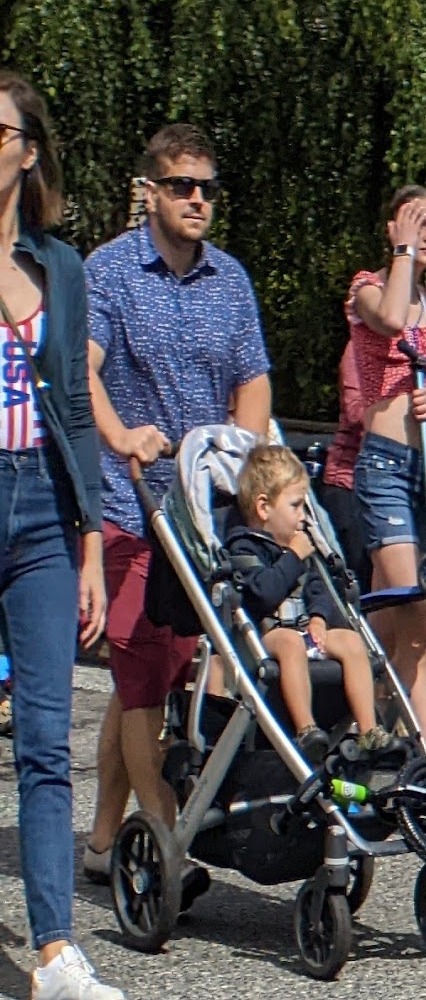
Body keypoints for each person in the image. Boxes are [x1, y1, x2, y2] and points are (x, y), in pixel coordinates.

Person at [83, 121, 270, 867]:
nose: (197, 200)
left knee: (156, 675)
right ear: (151, 191)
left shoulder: (230, 280)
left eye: (207, 189)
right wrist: (120, 436)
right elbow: (80, 370)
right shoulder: (112, 271)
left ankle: (104, 838)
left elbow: (250, 379)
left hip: (199, 516)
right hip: (128, 504)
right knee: (142, 677)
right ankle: (166, 841)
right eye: (182, 186)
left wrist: (246, 461)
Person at [0, 72, 128, 1000]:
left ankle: (53, 953)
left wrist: (90, 545)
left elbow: (78, 412)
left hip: (42, 512)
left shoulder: (62, 268)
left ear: (26, 150)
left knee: (46, 741)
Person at [333, 185, 426, 721]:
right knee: (417, 623)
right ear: (394, 231)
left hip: (424, 473)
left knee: (387, 625)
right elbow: (391, 320)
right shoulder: (368, 289)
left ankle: (367, 726)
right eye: (416, 224)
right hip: (384, 466)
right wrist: (401, 255)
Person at [219, 448, 384, 751]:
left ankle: (369, 730)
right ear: (264, 507)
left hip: (305, 630)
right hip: (265, 636)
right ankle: (305, 727)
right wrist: (293, 556)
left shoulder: (300, 547)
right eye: (296, 506)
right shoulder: (244, 547)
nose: (303, 516)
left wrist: (320, 617)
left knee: (350, 640)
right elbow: (264, 592)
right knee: (290, 642)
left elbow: (318, 587)